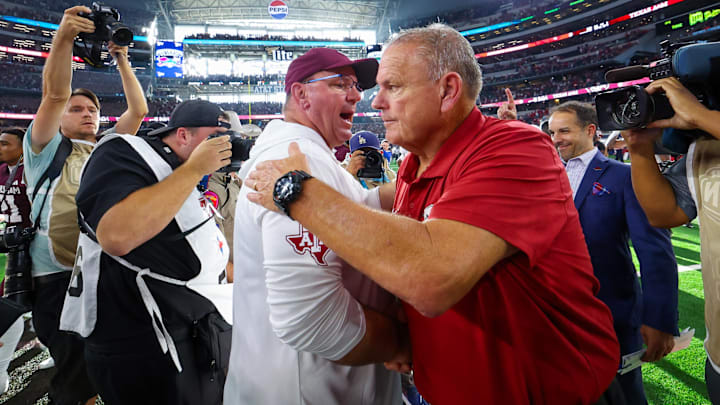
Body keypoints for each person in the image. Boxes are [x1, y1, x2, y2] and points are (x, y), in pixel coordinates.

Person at [243, 24, 620, 405]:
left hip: (546, 391)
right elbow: (370, 217)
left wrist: (295, 190)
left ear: (447, 91)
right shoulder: (414, 167)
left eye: (393, 87)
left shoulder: (518, 148)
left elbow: (432, 276)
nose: (375, 102)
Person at [224, 47, 404, 405]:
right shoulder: (290, 158)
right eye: (340, 84)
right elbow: (311, 320)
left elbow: (356, 208)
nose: (356, 95)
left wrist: (423, 182)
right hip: (306, 388)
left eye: (355, 86)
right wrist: (401, 342)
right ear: (301, 94)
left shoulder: (314, 155)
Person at [63, 99, 233, 404]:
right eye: (217, 139)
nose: (225, 149)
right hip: (140, 344)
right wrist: (195, 169)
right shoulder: (123, 152)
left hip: (191, 333)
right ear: (183, 135)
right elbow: (116, 235)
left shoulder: (177, 170)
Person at [22, 6, 147, 404]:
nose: (88, 114)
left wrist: (122, 60)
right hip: (56, 278)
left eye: (93, 109)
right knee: (74, 377)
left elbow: (139, 111)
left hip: (98, 272)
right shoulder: (43, 147)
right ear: (59, 118)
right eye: (77, 110)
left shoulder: (104, 149)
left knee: (101, 366)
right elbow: (55, 92)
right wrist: (62, 39)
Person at [548, 101, 678, 404]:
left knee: (622, 395)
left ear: (591, 130)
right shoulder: (548, 174)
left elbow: (654, 248)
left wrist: (660, 319)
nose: (556, 139)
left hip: (612, 312)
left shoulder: (624, 176)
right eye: (553, 132)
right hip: (556, 313)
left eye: (564, 130)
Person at [623, 77, 720, 404]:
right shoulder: (705, 150)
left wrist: (699, 116)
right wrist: (639, 148)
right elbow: (664, 214)